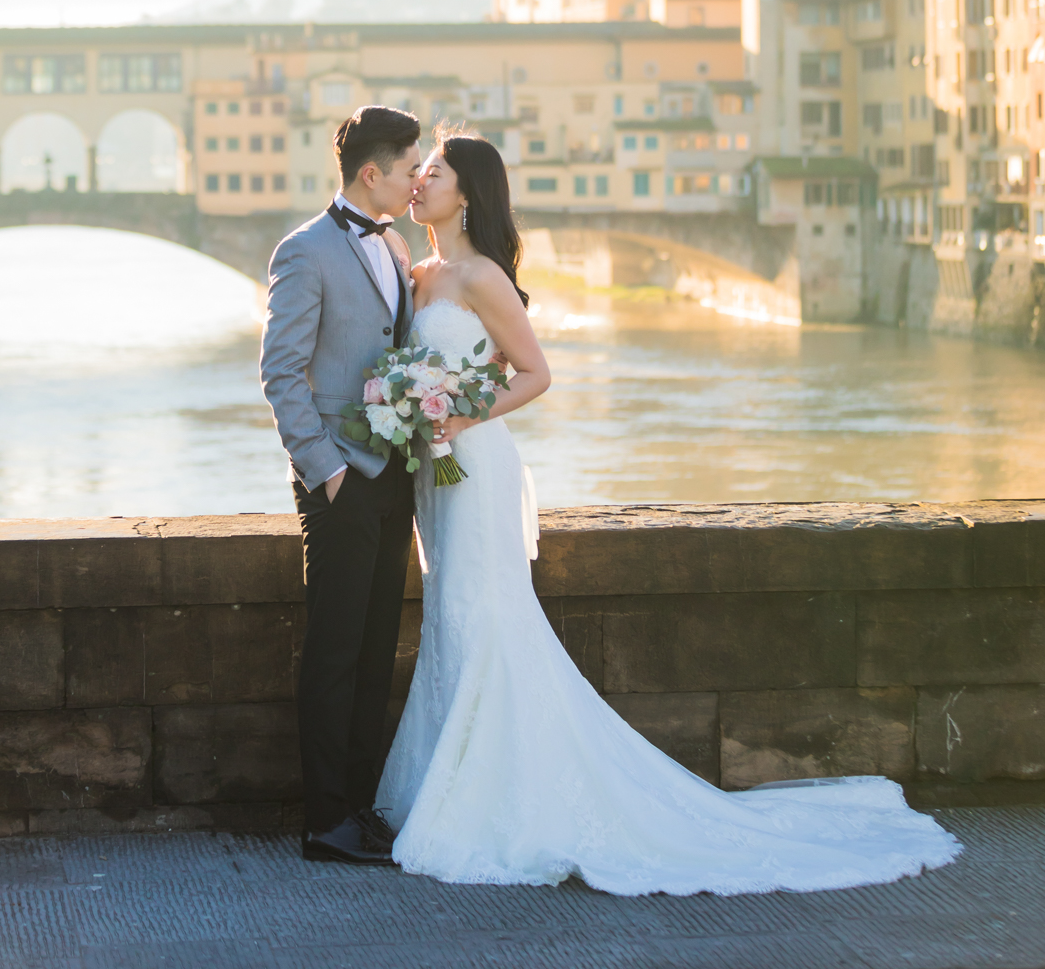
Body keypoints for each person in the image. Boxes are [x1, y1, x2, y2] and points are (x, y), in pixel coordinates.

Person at [377, 126, 961, 895]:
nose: (420, 180)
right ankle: (446, 788)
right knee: (453, 618)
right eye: (418, 170)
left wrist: (460, 412)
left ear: (469, 192)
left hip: (475, 466)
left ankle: (493, 798)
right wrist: (417, 408)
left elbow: (536, 374)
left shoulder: (482, 276)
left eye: (437, 171)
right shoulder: (417, 271)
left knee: (482, 617)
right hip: (435, 475)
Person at [259, 103, 422, 866]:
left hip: (394, 477)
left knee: (375, 650)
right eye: (408, 168)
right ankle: (326, 821)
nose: (417, 179)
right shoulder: (305, 250)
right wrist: (324, 473)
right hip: (338, 482)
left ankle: (359, 805)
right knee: (333, 652)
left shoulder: (396, 249)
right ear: (371, 173)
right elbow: (280, 374)